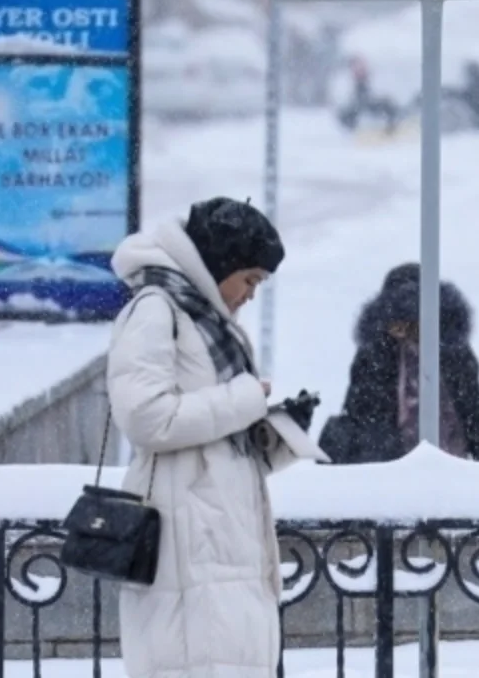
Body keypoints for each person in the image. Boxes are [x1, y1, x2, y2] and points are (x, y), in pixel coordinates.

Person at [107, 196, 300, 678]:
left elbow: (211, 438)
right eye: (250, 279)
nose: (252, 294)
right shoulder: (155, 309)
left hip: (218, 546)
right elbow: (146, 418)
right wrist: (242, 399)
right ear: (220, 264)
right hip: (187, 549)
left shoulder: (205, 319)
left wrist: (275, 436)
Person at [319, 263, 479, 464]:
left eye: (410, 320)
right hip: (392, 471)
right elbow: (360, 417)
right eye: (396, 321)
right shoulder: (374, 354)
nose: (403, 329)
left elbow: (473, 418)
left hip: (444, 467)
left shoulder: (453, 353)